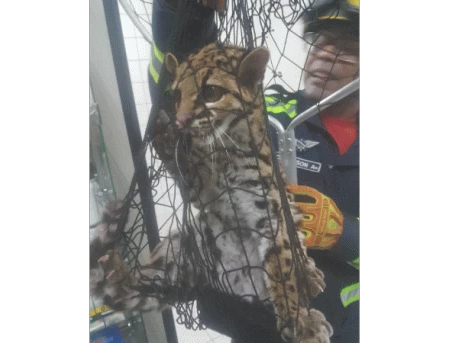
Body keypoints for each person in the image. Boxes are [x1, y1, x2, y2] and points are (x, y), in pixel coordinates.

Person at [146, 0, 359, 342]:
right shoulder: (268, 110)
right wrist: (182, 13)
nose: (323, 55)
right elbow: (194, 80)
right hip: (256, 327)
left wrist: (344, 235)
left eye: (345, 48)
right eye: (318, 42)